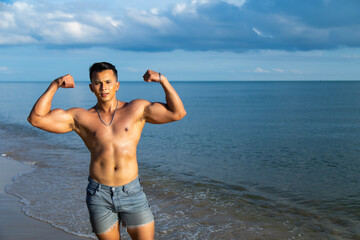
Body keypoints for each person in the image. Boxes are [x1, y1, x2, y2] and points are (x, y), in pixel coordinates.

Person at [27, 62, 186, 240]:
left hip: (132, 192)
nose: (104, 87)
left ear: (117, 85)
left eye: (108, 82)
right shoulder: (81, 117)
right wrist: (55, 84)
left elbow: (177, 113)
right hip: (99, 195)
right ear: (91, 87)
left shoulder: (136, 109)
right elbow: (36, 119)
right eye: (98, 83)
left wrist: (162, 80)